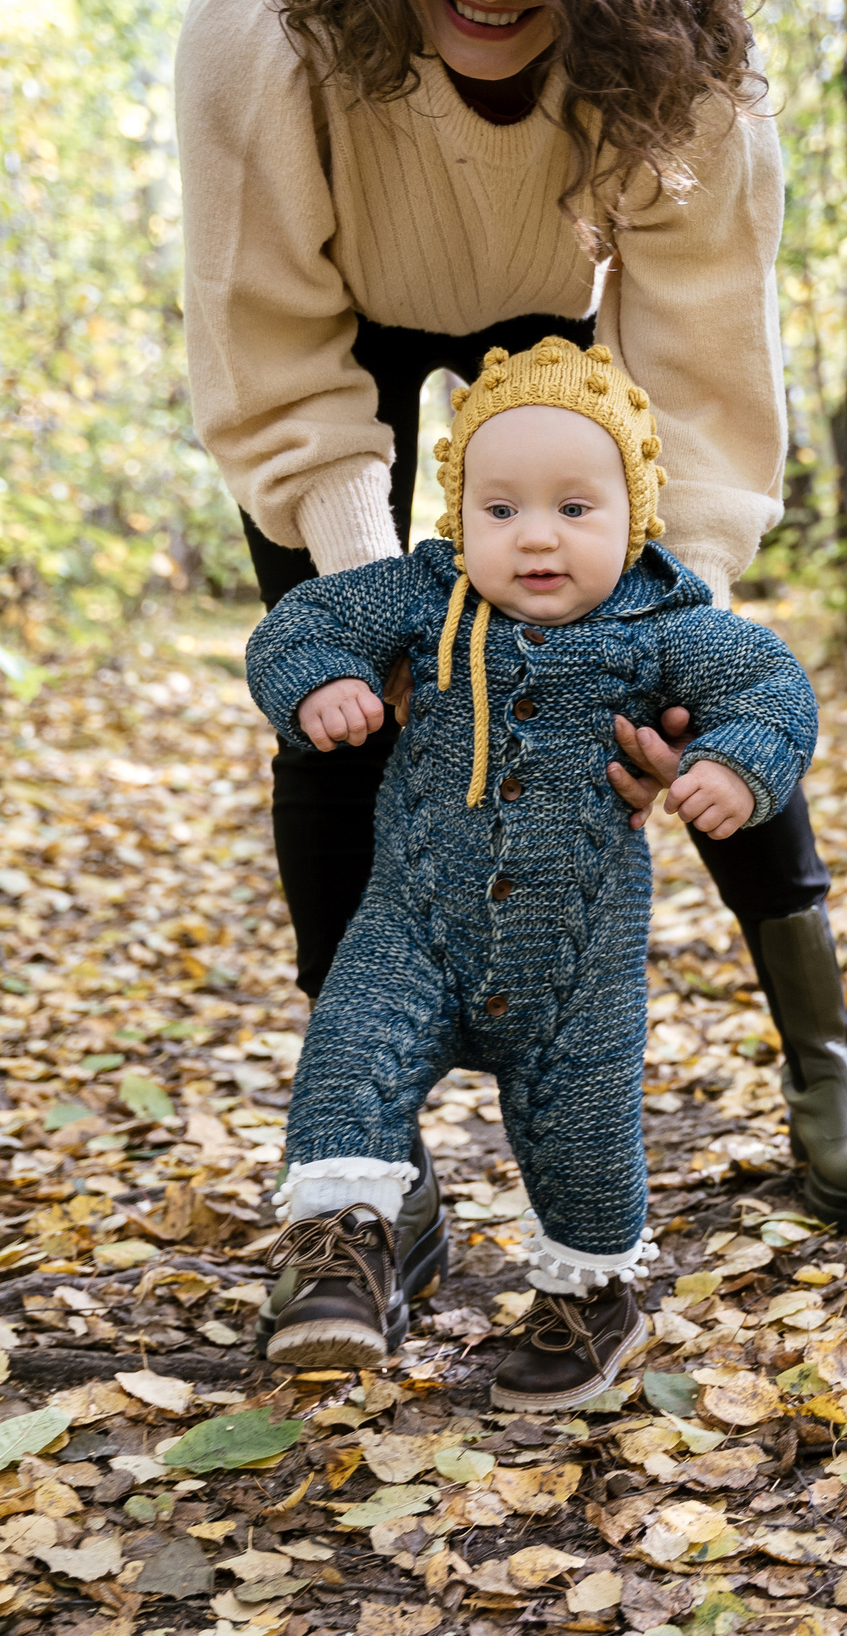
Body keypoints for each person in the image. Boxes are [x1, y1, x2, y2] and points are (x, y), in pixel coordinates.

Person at [173, 0, 847, 1264]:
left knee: (702, 673)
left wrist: (659, 630)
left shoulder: (682, 54)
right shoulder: (264, 24)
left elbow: (699, 358)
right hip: (336, 336)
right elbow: (272, 342)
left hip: (573, 319)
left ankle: (825, 1060)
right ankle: (370, 1159)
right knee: (337, 716)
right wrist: (390, 616)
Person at [246, 338, 815, 1407]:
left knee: (586, 1144)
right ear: (457, 518)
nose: (535, 537)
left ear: (635, 518)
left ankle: (590, 1300)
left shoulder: (667, 625)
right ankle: (343, 1257)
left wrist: (742, 763)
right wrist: (317, 680)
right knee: (348, 1052)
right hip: (413, 926)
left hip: (577, 971)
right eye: (499, 510)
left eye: (573, 509)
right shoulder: (422, 596)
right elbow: (303, 619)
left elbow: (771, 685)